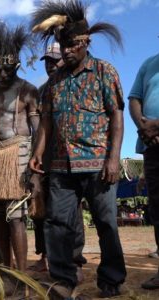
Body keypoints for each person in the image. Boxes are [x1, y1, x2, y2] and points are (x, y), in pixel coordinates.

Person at [30, 0, 126, 298]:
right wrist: (37, 152)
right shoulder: (54, 82)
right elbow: (46, 121)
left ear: (86, 42)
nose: (67, 50)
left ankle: (111, 279)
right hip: (60, 166)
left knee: (106, 223)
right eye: (64, 45)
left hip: (98, 164)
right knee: (57, 223)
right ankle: (63, 280)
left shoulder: (103, 71)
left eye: (72, 45)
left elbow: (117, 117)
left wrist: (113, 159)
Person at [0, 19, 40, 271]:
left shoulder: (28, 91)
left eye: (7, 69)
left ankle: (21, 273)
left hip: (19, 152)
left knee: (15, 217)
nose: (2, 74)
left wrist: (35, 163)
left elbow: (37, 128)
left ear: (17, 66)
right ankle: (7, 268)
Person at [30, 43, 87, 281]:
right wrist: (36, 156)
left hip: (69, 158)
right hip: (44, 158)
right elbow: (38, 127)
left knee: (70, 211)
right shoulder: (42, 90)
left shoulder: (73, 82)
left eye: (55, 60)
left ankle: (75, 258)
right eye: (47, 61)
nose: (51, 65)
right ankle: (45, 257)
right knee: (41, 210)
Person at [129, 50, 159, 289]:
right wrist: (143, 127)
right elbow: (134, 99)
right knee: (157, 209)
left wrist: (156, 125)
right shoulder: (148, 63)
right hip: (151, 147)